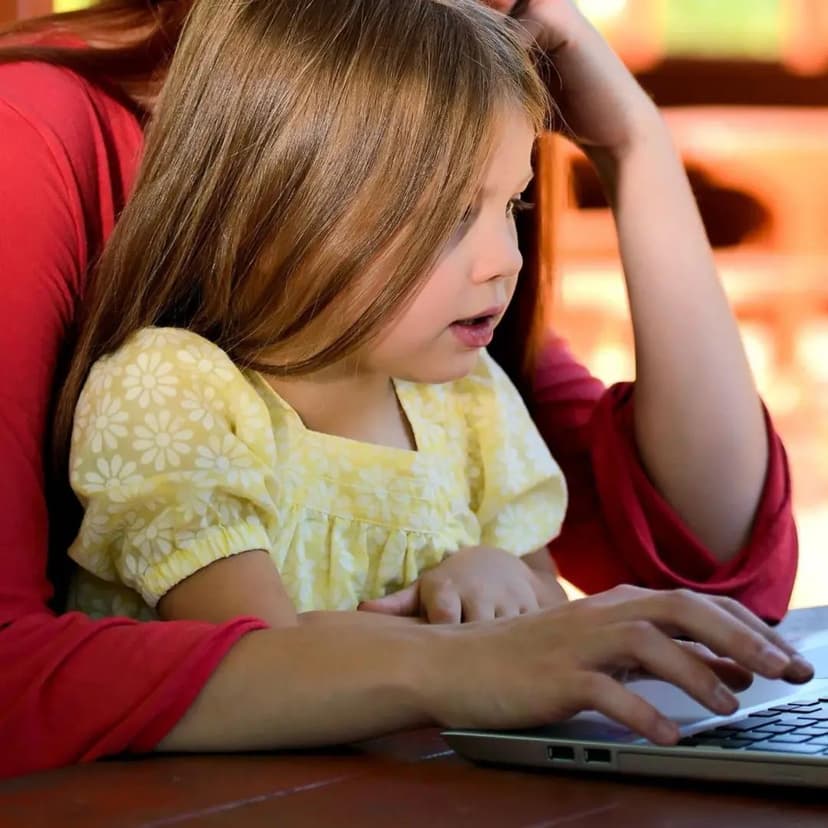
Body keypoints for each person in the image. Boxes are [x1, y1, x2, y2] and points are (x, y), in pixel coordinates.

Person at [0, 0, 805, 780]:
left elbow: (713, 569)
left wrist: (633, 142)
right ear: (281, 203)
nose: (506, 261)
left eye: (513, 205)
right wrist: (449, 658)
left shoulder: (452, 382)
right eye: (450, 212)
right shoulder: (169, 380)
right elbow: (251, 651)